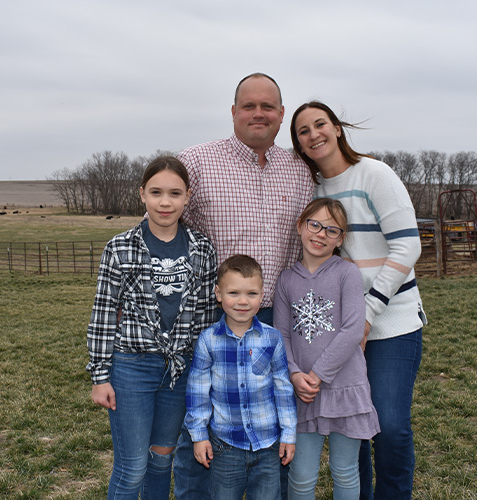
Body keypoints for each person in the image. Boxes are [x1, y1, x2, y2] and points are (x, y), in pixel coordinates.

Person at [173, 73, 314, 500]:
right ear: (233, 112)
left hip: (278, 316)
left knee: (275, 413)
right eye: (249, 106)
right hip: (211, 314)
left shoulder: (300, 169)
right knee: (198, 419)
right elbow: (163, 222)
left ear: (281, 114)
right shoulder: (196, 161)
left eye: (267, 107)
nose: (258, 113)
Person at [290, 102, 427, 500]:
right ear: (298, 144)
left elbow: (407, 247)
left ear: (336, 128)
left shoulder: (375, 173)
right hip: (338, 330)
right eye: (303, 131)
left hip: (390, 321)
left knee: (390, 423)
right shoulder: (312, 190)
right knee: (355, 426)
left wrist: (367, 316)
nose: (313, 134)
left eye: (320, 124)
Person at [86, 155, 218, 500]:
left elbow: (206, 318)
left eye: (175, 193)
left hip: (180, 370)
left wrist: (205, 372)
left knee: (162, 461)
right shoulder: (120, 248)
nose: (165, 202)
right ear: (141, 193)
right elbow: (102, 314)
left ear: (188, 197)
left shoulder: (202, 249)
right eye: (156, 192)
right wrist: (100, 376)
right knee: (132, 469)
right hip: (132, 367)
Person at [273, 198, 380, 500]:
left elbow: (352, 330)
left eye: (331, 230)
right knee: (302, 474)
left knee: (345, 470)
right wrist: (295, 375)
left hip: (345, 388)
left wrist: (318, 374)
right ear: (300, 226)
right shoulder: (286, 279)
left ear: (341, 239)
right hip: (304, 392)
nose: (320, 234)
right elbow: (281, 334)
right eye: (315, 225)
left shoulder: (347, 273)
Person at [185, 254, 297, 500]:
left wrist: (289, 433)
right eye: (233, 293)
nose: (243, 301)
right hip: (225, 446)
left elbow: (283, 389)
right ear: (218, 293)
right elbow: (198, 392)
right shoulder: (208, 340)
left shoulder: (273, 338)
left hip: (268, 445)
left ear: (262, 294)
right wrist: (199, 436)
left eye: (251, 294)